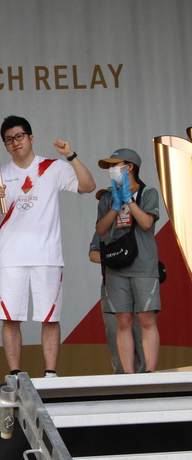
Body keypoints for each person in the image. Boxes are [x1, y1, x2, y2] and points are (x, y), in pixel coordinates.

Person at [0, 115, 96, 377]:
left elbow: (88, 186)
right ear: (5, 145)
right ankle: (16, 373)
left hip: (47, 255)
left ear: (31, 138)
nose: (15, 143)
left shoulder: (52, 167)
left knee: (49, 316)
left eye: (19, 136)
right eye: (9, 140)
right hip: (11, 257)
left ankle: (50, 374)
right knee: (10, 318)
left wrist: (71, 155)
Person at [95, 148, 160, 373]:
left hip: (144, 266)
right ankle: (129, 376)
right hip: (116, 268)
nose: (112, 170)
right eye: (110, 167)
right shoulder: (106, 197)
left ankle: (149, 374)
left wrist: (129, 200)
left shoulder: (148, 192)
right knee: (123, 321)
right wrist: (115, 205)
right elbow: (101, 230)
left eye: (115, 165)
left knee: (145, 320)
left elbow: (146, 223)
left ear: (129, 167)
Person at [89, 224, 146, 374]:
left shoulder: (138, 223)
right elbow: (93, 254)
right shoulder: (105, 226)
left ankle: (144, 375)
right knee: (115, 331)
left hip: (138, 281)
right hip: (112, 283)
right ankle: (122, 375)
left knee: (141, 331)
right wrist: (115, 256)